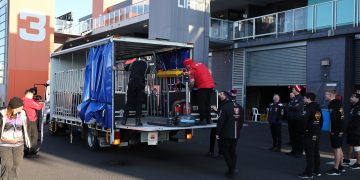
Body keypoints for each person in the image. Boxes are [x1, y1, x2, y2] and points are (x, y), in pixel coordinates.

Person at [0, 97, 31, 180]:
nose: (22, 108)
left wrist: (26, 140)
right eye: (21, 106)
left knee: (16, 165)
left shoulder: (23, 114)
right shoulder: (2, 115)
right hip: (5, 145)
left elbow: (26, 128)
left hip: (19, 145)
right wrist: (9, 140)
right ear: (15, 107)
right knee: (7, 165)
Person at [216, 91, 244, 179]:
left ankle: (231, 169)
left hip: (226, 134)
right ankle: (232, 168)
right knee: (233, 151)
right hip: (236, 133)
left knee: (225, 151)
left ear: (227, 97)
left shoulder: (225, 107)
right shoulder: (240, 107)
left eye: (221, 95)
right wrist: (238, 130)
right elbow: (242, 121)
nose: (220, 96)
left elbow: (220, 121)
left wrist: (217, 133)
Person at [183, 58, 215, 125]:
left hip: (203, 87)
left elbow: (192, 81)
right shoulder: (201, 64)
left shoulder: (192, 69)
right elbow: (210, 72)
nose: (186, 68)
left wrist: (189, 88)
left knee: (201, 103)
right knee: (208, 103)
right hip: (211, 86)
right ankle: (209, 119)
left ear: (188, 65)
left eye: (186, 66)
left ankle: (203, 120)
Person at [298, 92, 323, 178]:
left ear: (309, 98)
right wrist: (318, 129)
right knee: (316, 151)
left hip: (309, 133)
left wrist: (303, 131)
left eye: (304, 98)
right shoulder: (318, 107)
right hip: (317, 132)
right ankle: (317, 170)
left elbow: (304, 120)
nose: (303, 99)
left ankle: (308, 173)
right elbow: (321, 120)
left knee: (309, 153)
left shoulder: (308, 108)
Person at [207, 89, 237, 158]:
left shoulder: (227, 103)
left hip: (222, 123)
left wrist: (216, 110)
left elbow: (223, 113)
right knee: (212, 136)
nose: (219, 94)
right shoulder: (219, 100)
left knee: (219, 138)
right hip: (216, 121)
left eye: (221, 94)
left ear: (225, 96)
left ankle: (221, 153)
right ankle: (211, 151)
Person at [121, 58, 149, 126]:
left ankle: (124, 120)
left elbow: (125, 69)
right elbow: (148, 76)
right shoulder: (147, 65)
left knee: (128, 102)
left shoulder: (133, 63)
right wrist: (151, 87)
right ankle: (137, 121)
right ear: (145, 60)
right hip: (140, 84)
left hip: (132, 83)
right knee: (139, 103)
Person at [324, 90, 346, 175]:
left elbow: (334, 119)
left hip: (337, 129)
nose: (324, 96)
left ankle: (336, 169)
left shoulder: (332, 104)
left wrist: (332, 130)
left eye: (325, 94)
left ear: (330, 95)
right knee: (339, 147)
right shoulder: (338, 102)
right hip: (340, 128)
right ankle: (340, 166)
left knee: (336, 148)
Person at [22, 89, 44, 157]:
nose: (33, 96)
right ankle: (32, 152)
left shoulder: (23, 99)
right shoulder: (28, 101)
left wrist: (37, 101)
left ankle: (26, 151)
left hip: (26, 120)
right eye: (32, 95)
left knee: (26, 135)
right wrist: (41, 102)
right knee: (33, 136)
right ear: (29, 94)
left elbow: (34, 103)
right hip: (31, 120)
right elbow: (38, 107)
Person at [287, 85, 304, 158]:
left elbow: (297, 108)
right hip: (291, 119)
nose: (292, 90)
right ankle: (293, 150)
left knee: (298, 136)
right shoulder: (293, 99)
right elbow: (289, 107)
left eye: (293, 89)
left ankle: (299, 152)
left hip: (298, 119)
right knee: (292, 136)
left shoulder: (301, 98)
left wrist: (292, 107)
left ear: (297, 90)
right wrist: (292, 107)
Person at [344, 90, 360, 166]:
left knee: (357, 146)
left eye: (352, 97)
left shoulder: (359, 107)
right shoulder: (353, 106)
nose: (350, 98)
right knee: (350, 144)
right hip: (351, 129)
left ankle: (358, 162)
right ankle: (348, 159)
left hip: (357, 130)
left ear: (357, 98)